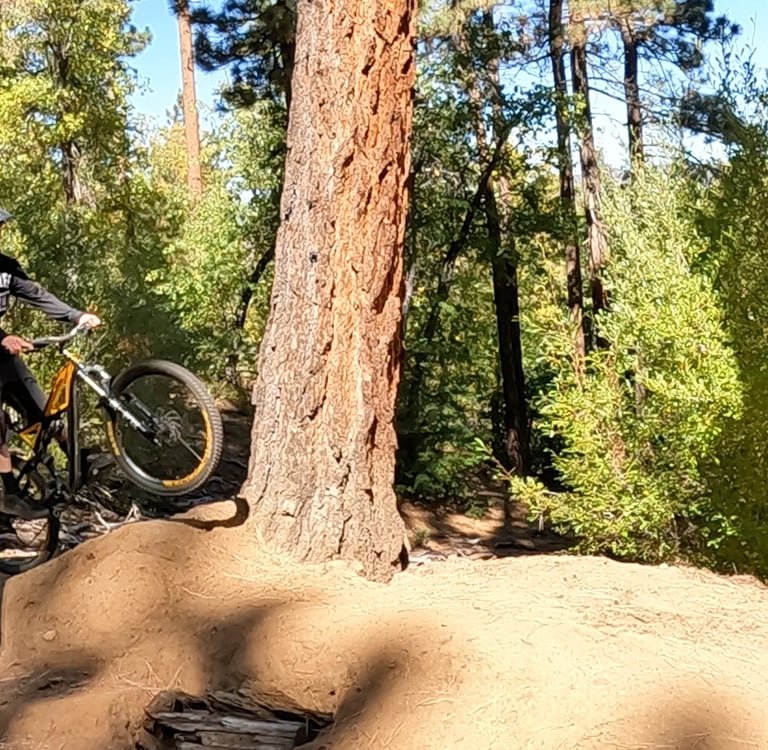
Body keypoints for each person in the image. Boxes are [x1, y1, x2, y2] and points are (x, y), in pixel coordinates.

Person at [0, 208, 101, 519]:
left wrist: (76, 315)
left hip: (1, 357)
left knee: (46, 413)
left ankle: (79, 459)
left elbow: (38, 295)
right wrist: (2, 337)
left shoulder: (5, 268)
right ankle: (10, 492)